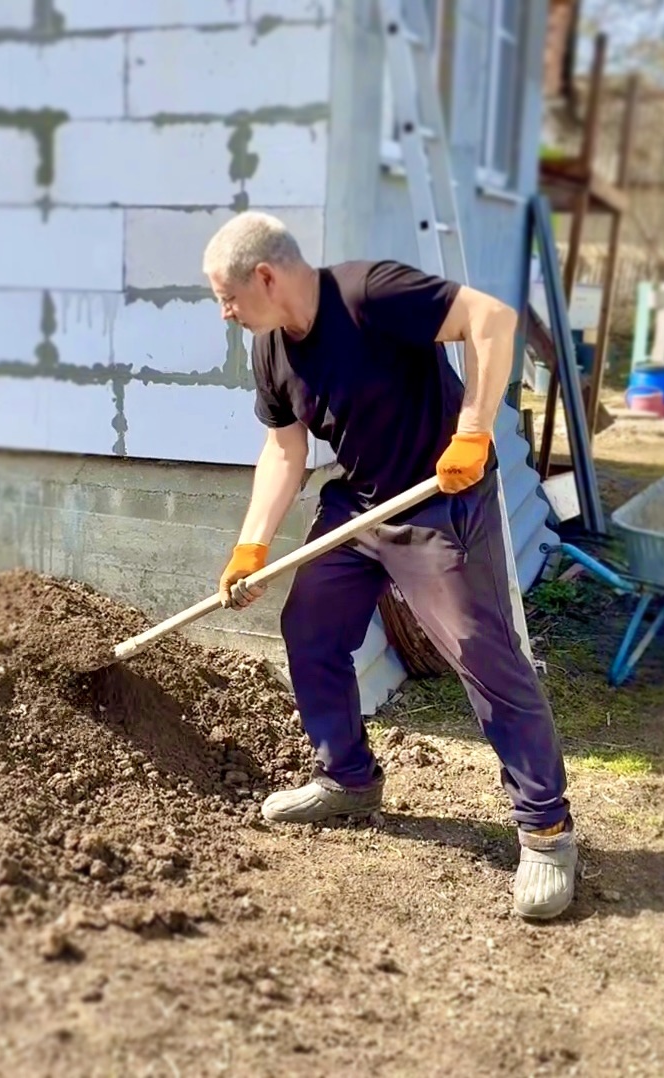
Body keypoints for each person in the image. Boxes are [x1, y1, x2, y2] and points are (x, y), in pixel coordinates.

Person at [201, 211, 577, 920]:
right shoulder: (272, 351)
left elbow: (490, 320)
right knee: (310, 623)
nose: (225, 311)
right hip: (362, 503)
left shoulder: (369, 294)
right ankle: (347, 778)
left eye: (226, 295)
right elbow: (284, 452)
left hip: (440, 496)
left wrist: (472, 433)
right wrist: (251, 545)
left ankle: (547, 829)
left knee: (478, 650)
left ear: (266, 277)